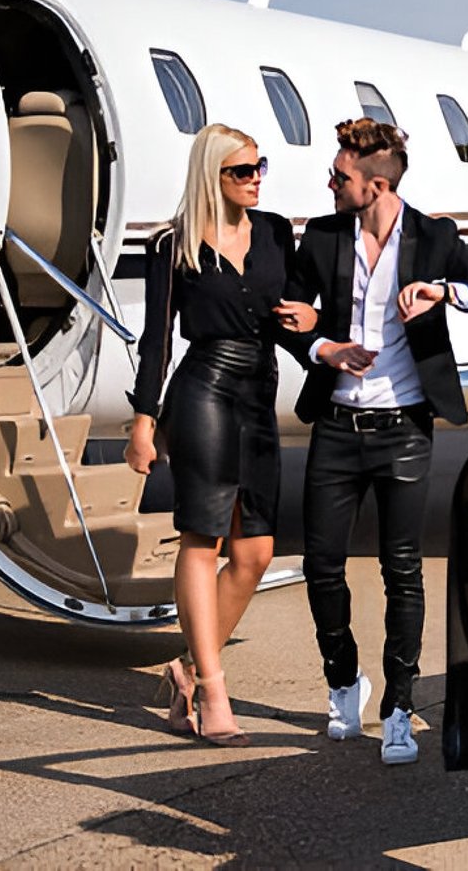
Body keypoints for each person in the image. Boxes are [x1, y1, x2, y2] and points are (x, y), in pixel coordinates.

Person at [283, 117, 468, 765]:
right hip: (335, 426)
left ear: (376, 185)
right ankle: (344, 680)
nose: (331, 183)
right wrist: (323, 344)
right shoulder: (324, 238)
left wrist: (442, 290)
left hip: (405, 430)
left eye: (341, 176)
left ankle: (399, 709)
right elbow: (291, 314)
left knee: (401, 571)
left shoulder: (435, 237)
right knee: (322, 566)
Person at [125, 123, 313, 746]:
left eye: (261, 168)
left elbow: (288, 317)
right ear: (213, 176)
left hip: (259, 389)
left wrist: (314, 327)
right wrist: (143, 424)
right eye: (242, 171)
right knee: (202, 540)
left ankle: (182, 669)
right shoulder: (172, 246)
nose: (256, 179)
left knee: (256, 552)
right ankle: (214, 688)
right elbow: (158, 339)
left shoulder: (277, 232)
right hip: (202, 388)